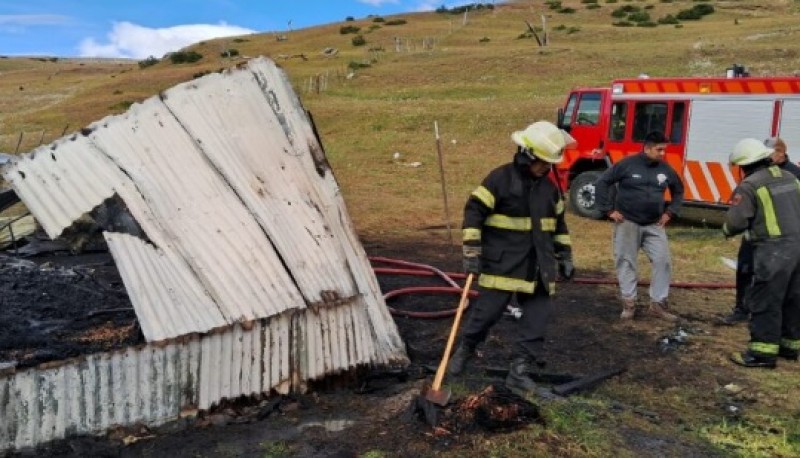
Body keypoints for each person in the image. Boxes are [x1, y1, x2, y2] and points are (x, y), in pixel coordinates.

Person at [448, 120, 576, 399]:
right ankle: (466, 349)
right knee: (486, 316)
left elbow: (559, 225)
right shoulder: (499, 180)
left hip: (539, 269)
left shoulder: (550, 190)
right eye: (542, 161)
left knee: (537, 322)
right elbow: (473, 213)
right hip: (502, 266)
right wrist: (471, 251)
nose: (546, 167)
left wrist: (565, 254)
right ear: (527, 153)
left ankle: (519, 374)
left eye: (548, 163)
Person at [724, 138, 800, 367]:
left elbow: (735, 222)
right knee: (793, 297)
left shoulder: (750, 185)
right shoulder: (791, 178)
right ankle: (789, 347)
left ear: (745, 165)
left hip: (773, 249)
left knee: (766, 298)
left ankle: (762, 354)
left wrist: (726, 229)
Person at [594, 131, 684, 321]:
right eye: (659, 149)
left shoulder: (665, 169)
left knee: (663, 261)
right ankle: (629, 304)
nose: (662, 153)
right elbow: (602, 182)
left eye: (664, 150)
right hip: (627, 222)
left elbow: (678, 190)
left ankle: (658, 304)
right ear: (648, 148)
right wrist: (608, 210)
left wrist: (670, 213)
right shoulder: (627, 164)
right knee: (626, 261)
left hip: (654, 225)